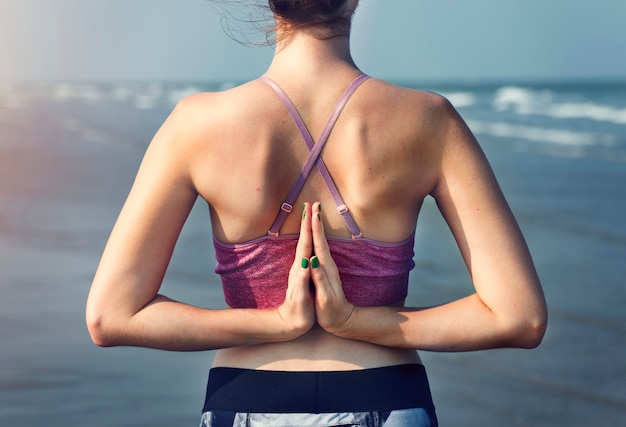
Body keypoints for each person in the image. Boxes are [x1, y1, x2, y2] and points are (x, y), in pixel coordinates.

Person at [86, 1, 548, 426]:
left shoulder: (196, 124)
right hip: (386, 394)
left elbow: (112, 316)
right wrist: (357, 322)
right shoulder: (429, 119)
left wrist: (276, 323)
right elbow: (519, 318)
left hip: (245, 400)